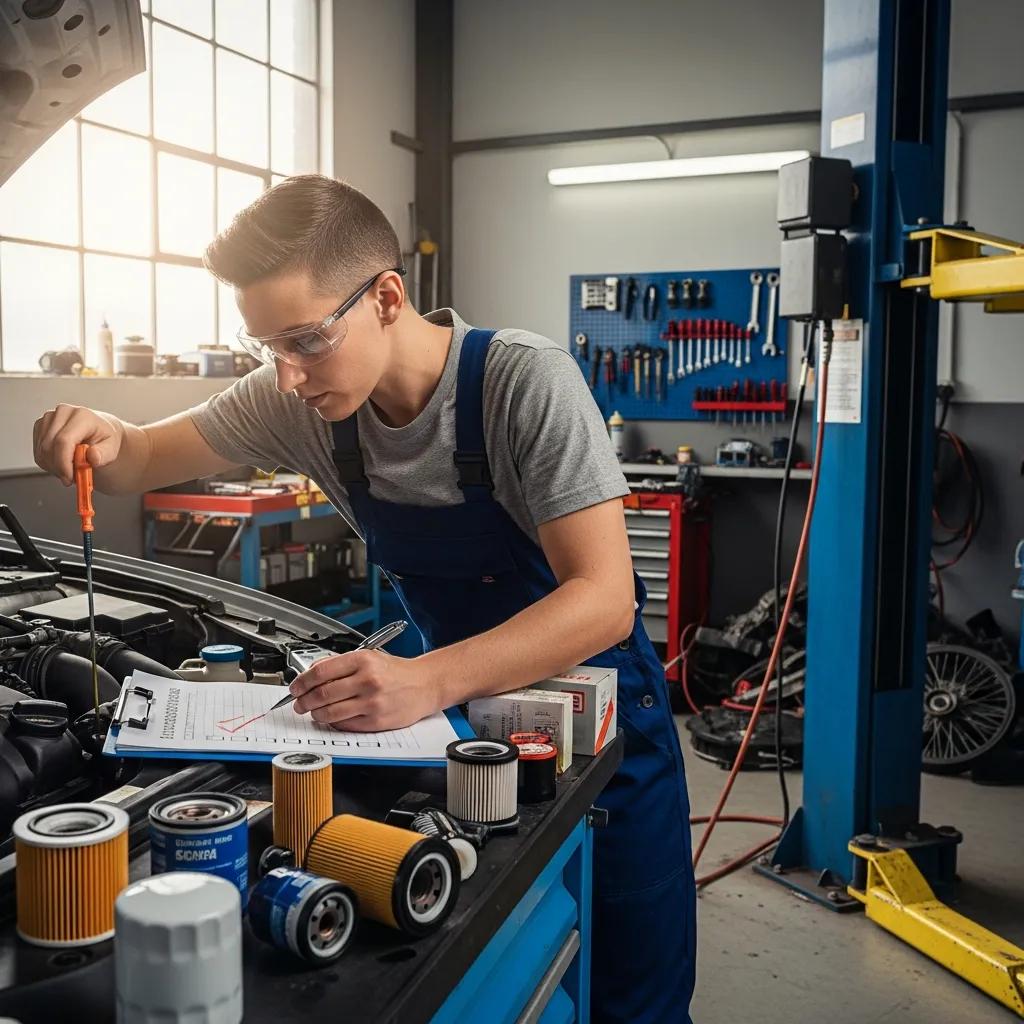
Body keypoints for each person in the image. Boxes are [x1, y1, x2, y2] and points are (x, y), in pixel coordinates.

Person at [33, 175, 695, 1022]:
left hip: (598, 726)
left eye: (305, 339)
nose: (287, 374)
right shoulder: (304, 403)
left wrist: (424, 681)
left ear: (387, 296)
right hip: (454, 728)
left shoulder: (523, 383)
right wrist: (94, 432)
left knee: (631, 995)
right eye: (266, 345)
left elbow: (603, 601)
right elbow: (138, 457)